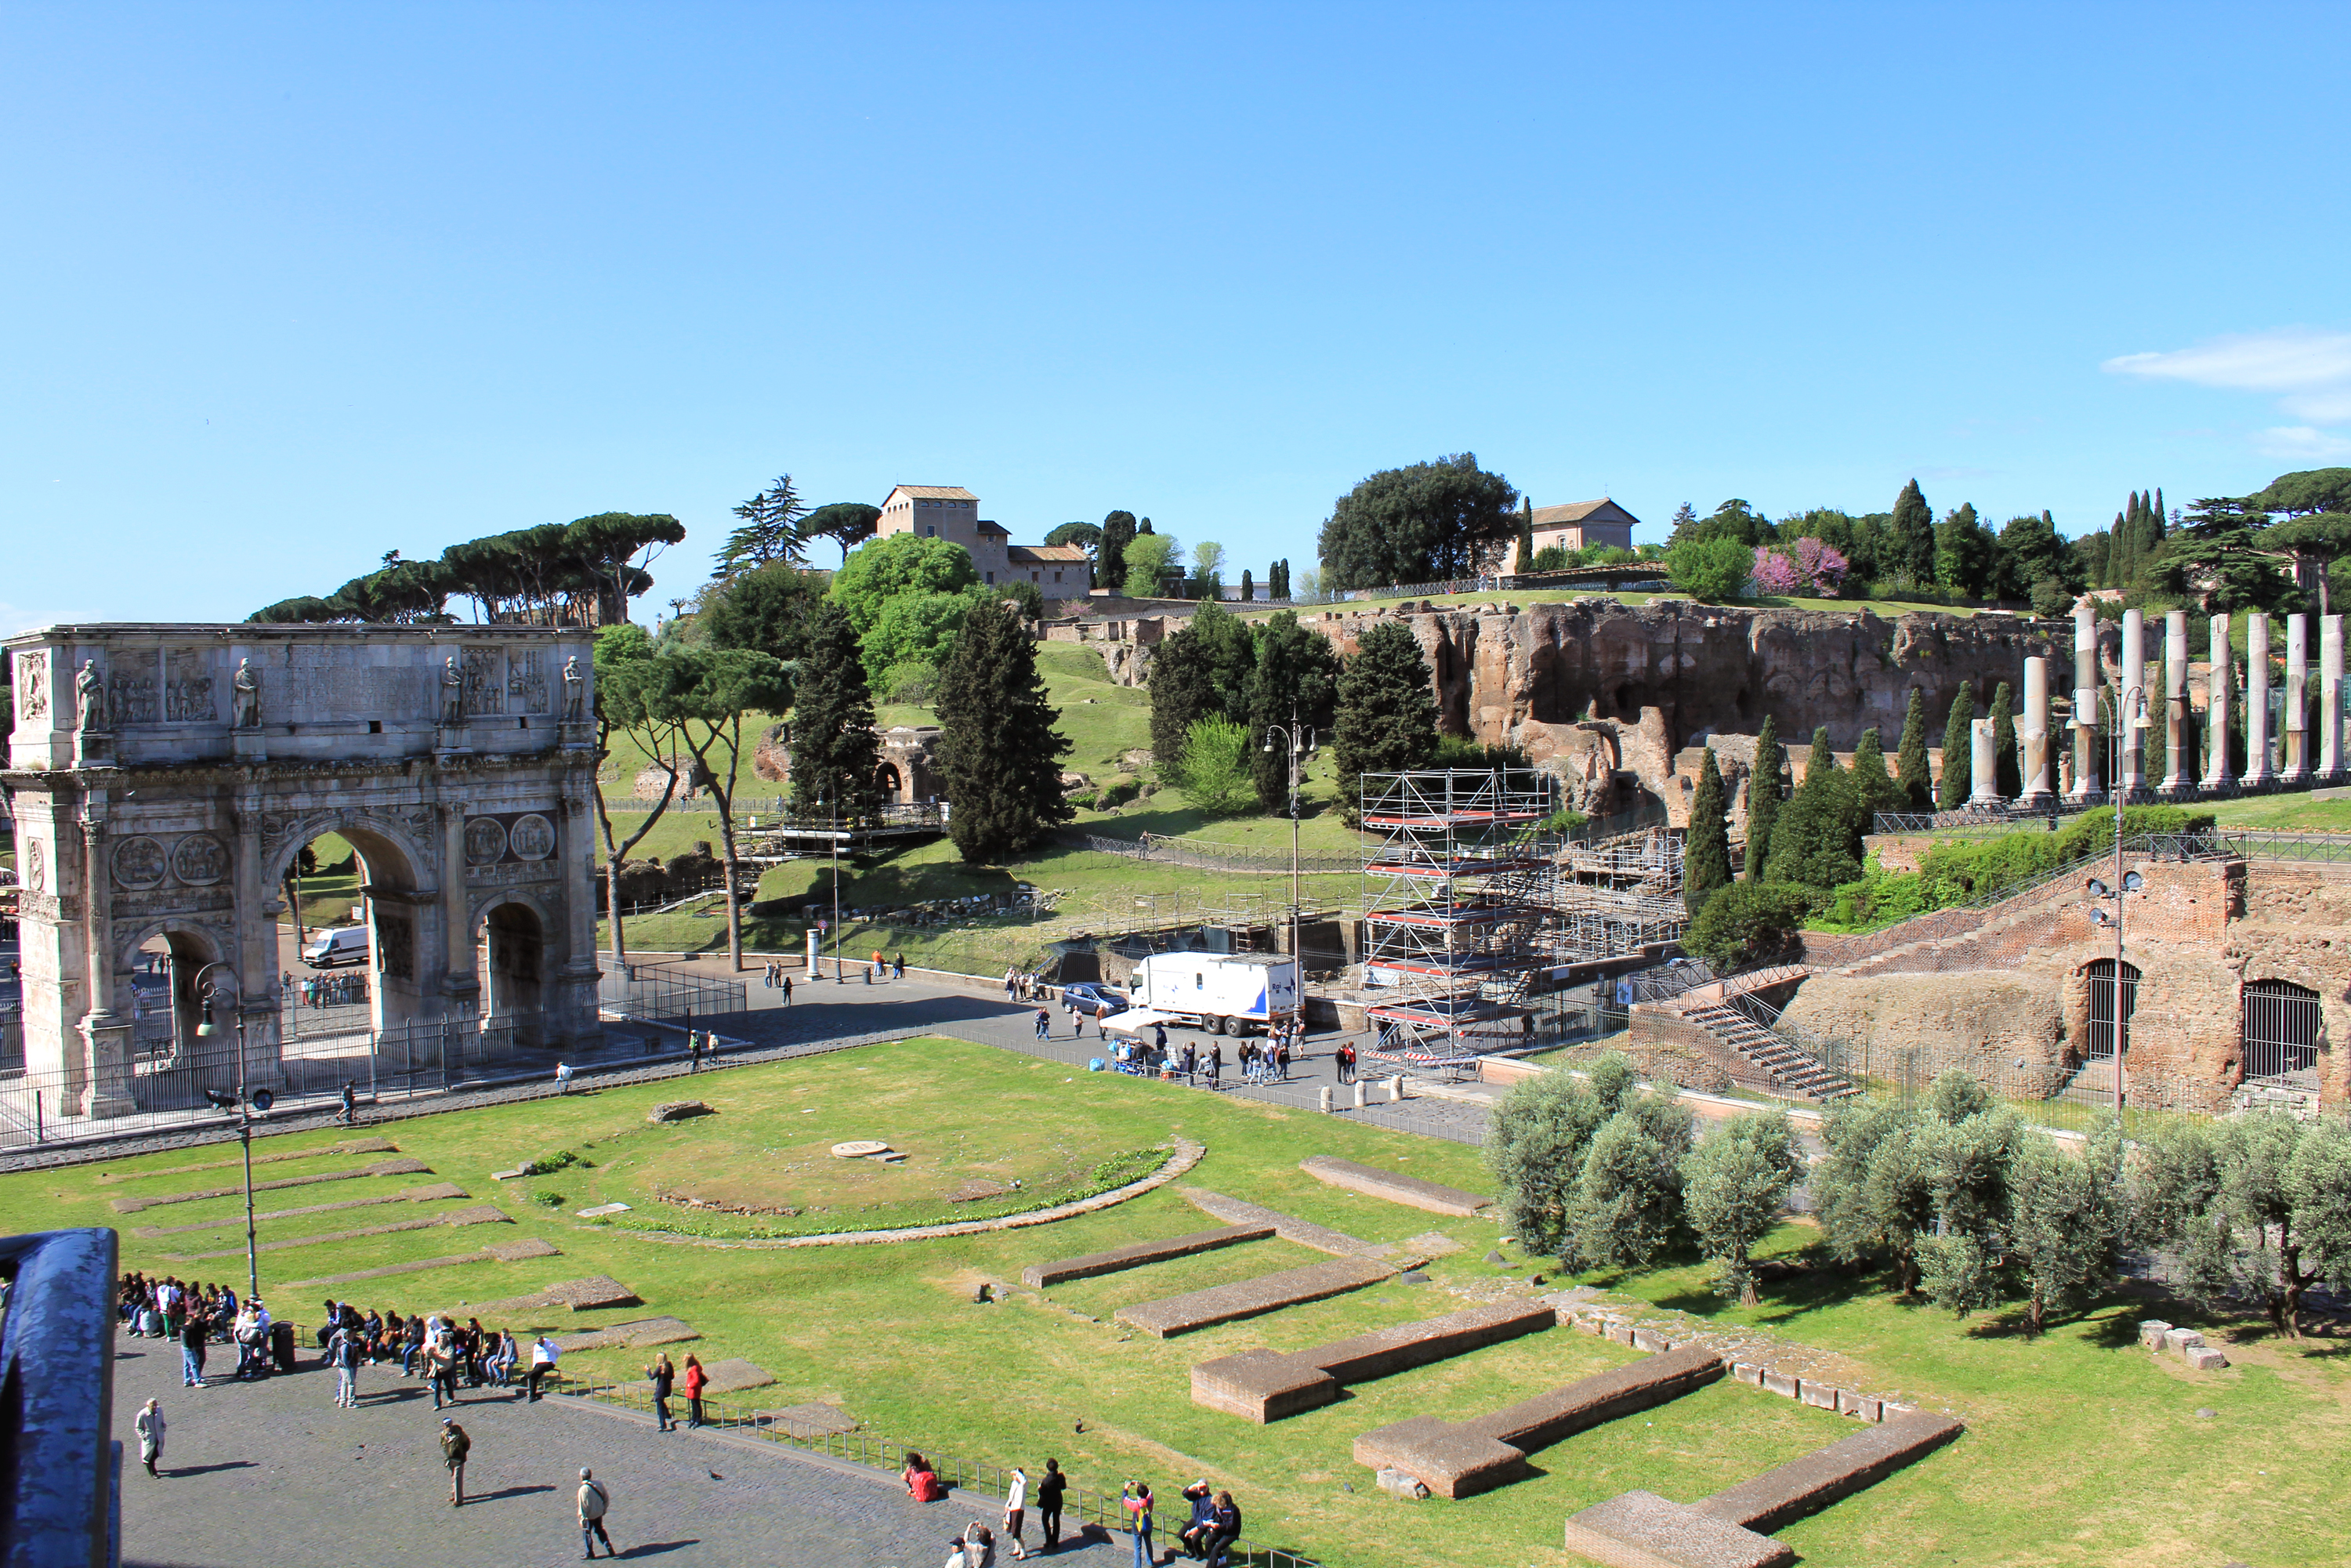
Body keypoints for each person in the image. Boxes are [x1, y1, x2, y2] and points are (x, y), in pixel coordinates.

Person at [578, 1466, 616, 1558]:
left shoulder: (583, 1490)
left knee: (587, 1533)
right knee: (599, 1530)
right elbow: (606, 1498)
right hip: (599, 1513)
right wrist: (604, 1510)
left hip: (589, 1516)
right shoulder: (599, 1484)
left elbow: (584, 1507)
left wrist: (583, 1520)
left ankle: (589, 1553)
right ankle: (608, 1545)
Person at [1178, 1480, 1215, 1560]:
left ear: (1208, 1488)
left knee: (1195, 1539)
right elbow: (1185, 1493)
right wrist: (1195, 1486)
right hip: (1195, 1519)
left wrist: (1198, 1528)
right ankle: (1193, 1551)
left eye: (1204, 1488)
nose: (1201, 1490)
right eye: (1200, 1488)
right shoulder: (1196, 1495)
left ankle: (1200, 1554)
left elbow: (1209, 1518)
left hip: (1204, 1523)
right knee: (1181, 1534)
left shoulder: (1210, 1501)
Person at [1036, 1459, 1067, 1553]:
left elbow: (1043, 1493)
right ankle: (1055, 1541)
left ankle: (1049, 1539)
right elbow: (1063, 1487)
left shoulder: (1046, 1480)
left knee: (1045, 1519)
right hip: (1058, 1501)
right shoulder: (1060, 1477)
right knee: (1056, 1520)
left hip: (1048, 1503)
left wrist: (1040, 1489)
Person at [1204, 1491, 1241, 1568]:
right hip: (1221, 1530)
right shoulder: (1219, 1509)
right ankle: (1220, 1559)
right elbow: (1219, 1519)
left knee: (1216, 1550)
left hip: (1231, 1534)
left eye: (1218, 1504)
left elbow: (1231, 1526)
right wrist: (1212, 1523)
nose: (1216, 1506)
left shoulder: (1233, 1510)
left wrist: (1218, 1526)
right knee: (1208, 1542)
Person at [440, 1417, 470, 1507]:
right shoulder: (443, 1434)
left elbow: (466, 1444)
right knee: (453, 1477)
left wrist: (461, 1453)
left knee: (457, 1478)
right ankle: (454, 1494)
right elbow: (442, 1444)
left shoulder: (459, 1434)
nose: (447, 1426)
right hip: (450, 1458)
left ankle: (459, 1499)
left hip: (459, 1458)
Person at [1122, 1481, 1154, 1568]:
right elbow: (1150, 1493)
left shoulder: (1136, 1505)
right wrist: (1141, 1485)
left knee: (1137, 1549)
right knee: (1148, 1544)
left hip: (1138, 1528)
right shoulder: (1150, 1501)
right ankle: (1150, 1562)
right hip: (1148, 1526)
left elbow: (1125, 1499)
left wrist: (1126, 1488)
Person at [1002, 1466, 1031, 1560]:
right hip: (1011, 1509)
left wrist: (1017, 1473)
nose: (1014, 1477)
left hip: (1018, 1510)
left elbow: (1024, 1480)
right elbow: (1011, 1497)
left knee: (1016, 1532)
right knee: (1011, 1530)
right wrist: (1007, 1506)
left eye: (1015, 1475)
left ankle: (1023, 1552)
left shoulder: (1023, 1485)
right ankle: (1017, 1549)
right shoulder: (1014, 1484)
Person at [647, 1351, 676, 1432]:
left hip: (660, 1389)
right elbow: (672, 1376)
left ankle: (663, 1425)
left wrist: (648, 1370)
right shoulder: (669, 1365)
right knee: (661, 1402)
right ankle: (668, 1415)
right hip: (667, 1388)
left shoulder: (660, 1368)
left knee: (659, 1407)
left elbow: (652, 1377)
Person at [135, 1399, 164, 1477]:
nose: (154, 1407)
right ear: (148, 1406)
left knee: (157, 1453)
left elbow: (161, 1421)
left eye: (155, 1405)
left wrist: (163, 1426)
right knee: (149, 1457)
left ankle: (150, 1464)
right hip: (149, 1439)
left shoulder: (159, 1410)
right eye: (152, 1406)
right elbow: (138, 1428)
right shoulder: (142, 1415)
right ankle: (153, 1473)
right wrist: (143, 1436)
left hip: (159, 1437)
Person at [179, 1309, 207, 1388]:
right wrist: (192, 1347)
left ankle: (187, 1380)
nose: (193, 1323)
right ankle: (197, 1380)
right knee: (194, 1364)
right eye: (192, 1321)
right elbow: (189, 1341)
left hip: (183, 1348)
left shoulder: (183, 1328)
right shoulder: (189, 1329)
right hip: (189, 1349)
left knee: (186, 1365)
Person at [527, 1334, 560, 1400]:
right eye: (538, 1343)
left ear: (543, 1341)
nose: (540, 1344)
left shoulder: (550, 1345)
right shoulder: (536, 1346)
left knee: (540, 1368)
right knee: (533, 1377)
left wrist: (554, 1358)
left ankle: (526, 1375)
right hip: (539, 1363)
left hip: (549, 1363)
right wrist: (534, 1366)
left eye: (541, 1343)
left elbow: (559, 1350)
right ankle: (532, 1395)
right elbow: (535, 1356)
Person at [681, 1353, 707, 1429]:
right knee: (694, 1405)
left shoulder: (694, 1368)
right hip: (692, 1390)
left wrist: (689, 1385)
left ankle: (698, 1420)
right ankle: (694, 1419)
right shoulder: (693, 1367)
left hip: (694, 1390)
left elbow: (696, 1380)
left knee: (696, 1405)